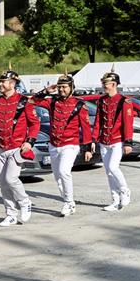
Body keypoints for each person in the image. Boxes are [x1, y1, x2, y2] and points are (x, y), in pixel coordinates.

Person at [30, 72, 93, 217]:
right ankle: (67, 201)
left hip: (70, 144)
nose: (61, 90)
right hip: (54, 144)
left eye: (64, 87)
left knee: (64, 172)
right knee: (58, 177)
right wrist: (46, 91)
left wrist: (88, 148)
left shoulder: (79, 104)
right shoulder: (52, 102)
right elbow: (33, 101)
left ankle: (69, 202)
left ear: (71, 87)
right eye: (59, 87)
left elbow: (85, 127)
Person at [0, 68, 40, 227]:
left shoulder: (24, 101)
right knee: (2, 182)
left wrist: (30, 141)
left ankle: (25, 202)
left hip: (17, 147)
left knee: (11, 178)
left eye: (3, 82)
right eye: (0, 81)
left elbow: (35, 123)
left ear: (12, 83)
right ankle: (10, 214)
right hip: (1, 148)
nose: (0, 84)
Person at [92, 66, 134, 211]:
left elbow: (128, 123)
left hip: (117, 140)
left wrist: (128, 141)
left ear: (114, 84)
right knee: (108, 172)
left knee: (113, 167)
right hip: (104, 140)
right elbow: (98, 121)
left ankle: (125, 190)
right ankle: (115, 200)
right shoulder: (101, 100)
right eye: (103, 83)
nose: (104, 86)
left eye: (107, 83)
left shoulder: (124, 101)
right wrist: (94, 139)